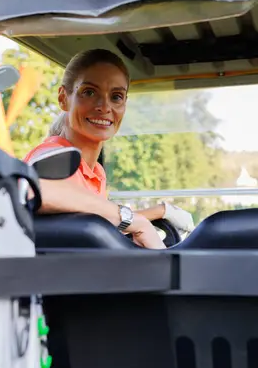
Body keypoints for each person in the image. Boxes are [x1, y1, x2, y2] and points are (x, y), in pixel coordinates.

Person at [24, 49, 194, 249]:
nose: (104, 107)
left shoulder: (96, 171)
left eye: (116, 96)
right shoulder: (53, 155)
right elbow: (35, 190)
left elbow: (94, 221)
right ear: (63, 98)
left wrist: (159, 212)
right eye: (89, 92)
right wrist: (134, 221)